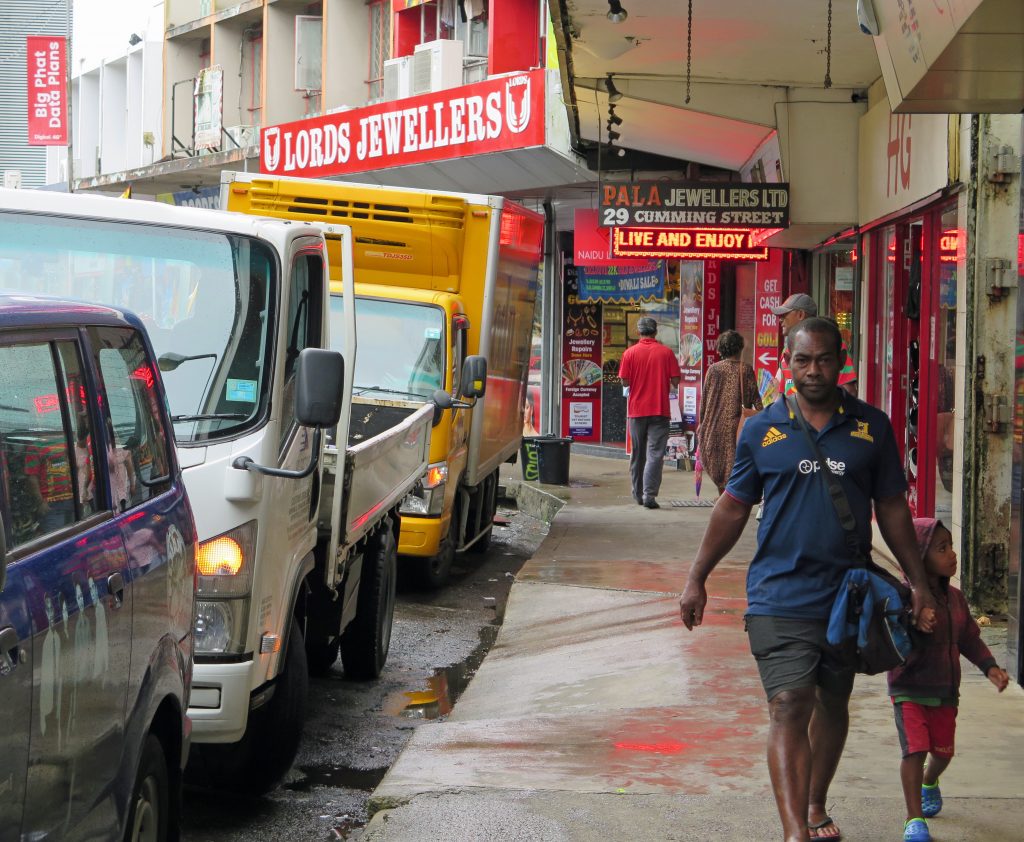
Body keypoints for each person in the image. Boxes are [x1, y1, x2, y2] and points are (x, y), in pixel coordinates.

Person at [678, 317, 937, 842]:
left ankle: (815, 801)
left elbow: (890, 508)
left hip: (848, 596)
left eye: (823, 359)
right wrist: (696, 577)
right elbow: (732, 508)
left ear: (842, 361)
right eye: (802, 360)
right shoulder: (762, 430)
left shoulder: (872, 427)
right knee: (789, 702)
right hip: (778, 593)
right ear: (787, 364)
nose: (813, 370)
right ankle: (795, 830)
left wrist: (920, 583)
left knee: (832, 702)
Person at [888, 517, 1010, 842]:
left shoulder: (956, 599)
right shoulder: (903, 596)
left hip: (944, 691)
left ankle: (931, 781)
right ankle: (914, 820)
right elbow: (887, 628)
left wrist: (990, 668)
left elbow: (969, 637)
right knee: (914, 750)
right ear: (919, 557)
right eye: (942, 549)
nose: (952, 555)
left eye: (951, 547)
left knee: (942, 753)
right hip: (908, 689)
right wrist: (912, 617)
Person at [618, 317, 681, 509]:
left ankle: (637, 493)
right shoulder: (666, 353)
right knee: (655, 454)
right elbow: (676, 380)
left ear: (639, 332)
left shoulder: (629, 353)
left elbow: (624, 382)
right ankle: (649, 495)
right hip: (660, 410)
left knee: (638, 453)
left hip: (636, 411)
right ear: (656, 332)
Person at [698, 330, 763, 496]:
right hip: (737, 427)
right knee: (734, 467)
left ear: (721, 349)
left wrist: (701, 424)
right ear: (739, 348)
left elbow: (704, 401)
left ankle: (723, 497)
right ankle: (729, 499)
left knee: (717, 465)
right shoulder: (746, 369)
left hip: (714, 425)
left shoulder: (713, 370)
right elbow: (756, 399)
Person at [772, 294, 858, 398]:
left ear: (800, 314)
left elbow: (849, 392)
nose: (780, 319)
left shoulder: (833, 345)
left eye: (784, 314)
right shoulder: (787, 350)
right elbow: (783, 394)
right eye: (801, 360)